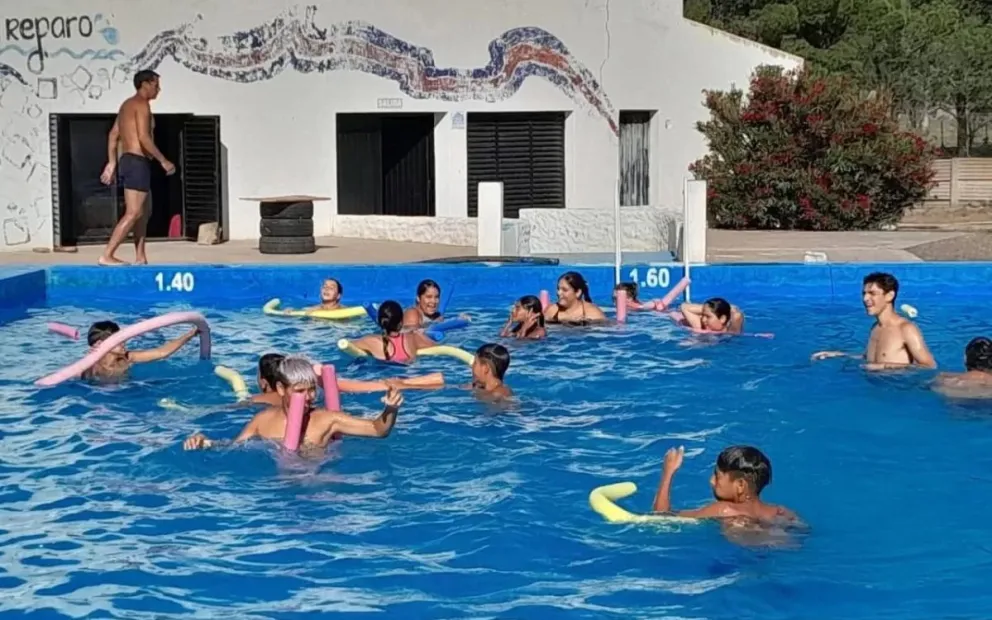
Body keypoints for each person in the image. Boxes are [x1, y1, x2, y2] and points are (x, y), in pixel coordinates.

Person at [185, 356, 403, 452]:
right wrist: (205, 443)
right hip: (280, 493)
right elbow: (233, 448)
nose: (309, 397)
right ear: (281, 389)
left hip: (318, 486)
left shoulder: (327, 419)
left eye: (311, 389)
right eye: (300, 391)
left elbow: (377, 429)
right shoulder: (263, 420)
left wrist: (390, 409)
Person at [98, 70, 175, 266]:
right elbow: (143, 138)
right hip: (136, 162)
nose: (159, 89)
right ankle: (107, 254)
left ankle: (140, 256)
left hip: (129, 162)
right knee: (133, 212)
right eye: (156, 85)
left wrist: (112, 162)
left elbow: (113, 135)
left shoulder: (126, 106)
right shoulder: (141, 105)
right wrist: (163, 160)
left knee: (143, 212)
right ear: (146, 84)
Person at [812, 272, 936, 370]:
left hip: (898, 392)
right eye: (864, 293)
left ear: (889, 296)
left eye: (872, 293)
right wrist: (837, 355)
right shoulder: (876, 328)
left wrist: (884, 367)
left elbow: (929, 366)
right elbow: (869, 358)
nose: (865, 298)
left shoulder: (906, 329)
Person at [652, 445, 798, 526]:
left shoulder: (724, 509)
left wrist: (668, 472)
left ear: (740, 485)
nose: (711, 481)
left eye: (717, 476)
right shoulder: (780, 512)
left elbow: (661, 516)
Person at [250, 353, 444, 405]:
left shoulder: (261, 400)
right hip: (341, 388)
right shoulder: (308, 385)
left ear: (265, 382)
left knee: (379, 385)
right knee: (381, 384)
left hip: (345, 389)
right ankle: (430, 380)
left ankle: (429, 380)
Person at [81, 320, 200, 381]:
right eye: (118, 339)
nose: (124, 341)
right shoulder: (92, 366)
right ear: (100, 344)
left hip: (128, 393)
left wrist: (189, 335)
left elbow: (162, 352)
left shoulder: (127, 357)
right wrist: (88, 360)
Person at [353, 301, 437, 363]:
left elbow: (347, 346)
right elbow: (435, 346)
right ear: (401, 322)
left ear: (380, 321)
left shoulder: (371, 341)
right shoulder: (413, 337)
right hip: (410, 375)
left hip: (383, 376)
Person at [678, 298, 744, 334]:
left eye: (708, 316)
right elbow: (684, 307)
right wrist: (707, 309)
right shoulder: (700, 327)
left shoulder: (731, 331)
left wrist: (725, 308)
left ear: (722, 319)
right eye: (703, 315)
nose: (703, 320)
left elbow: (737, 315)